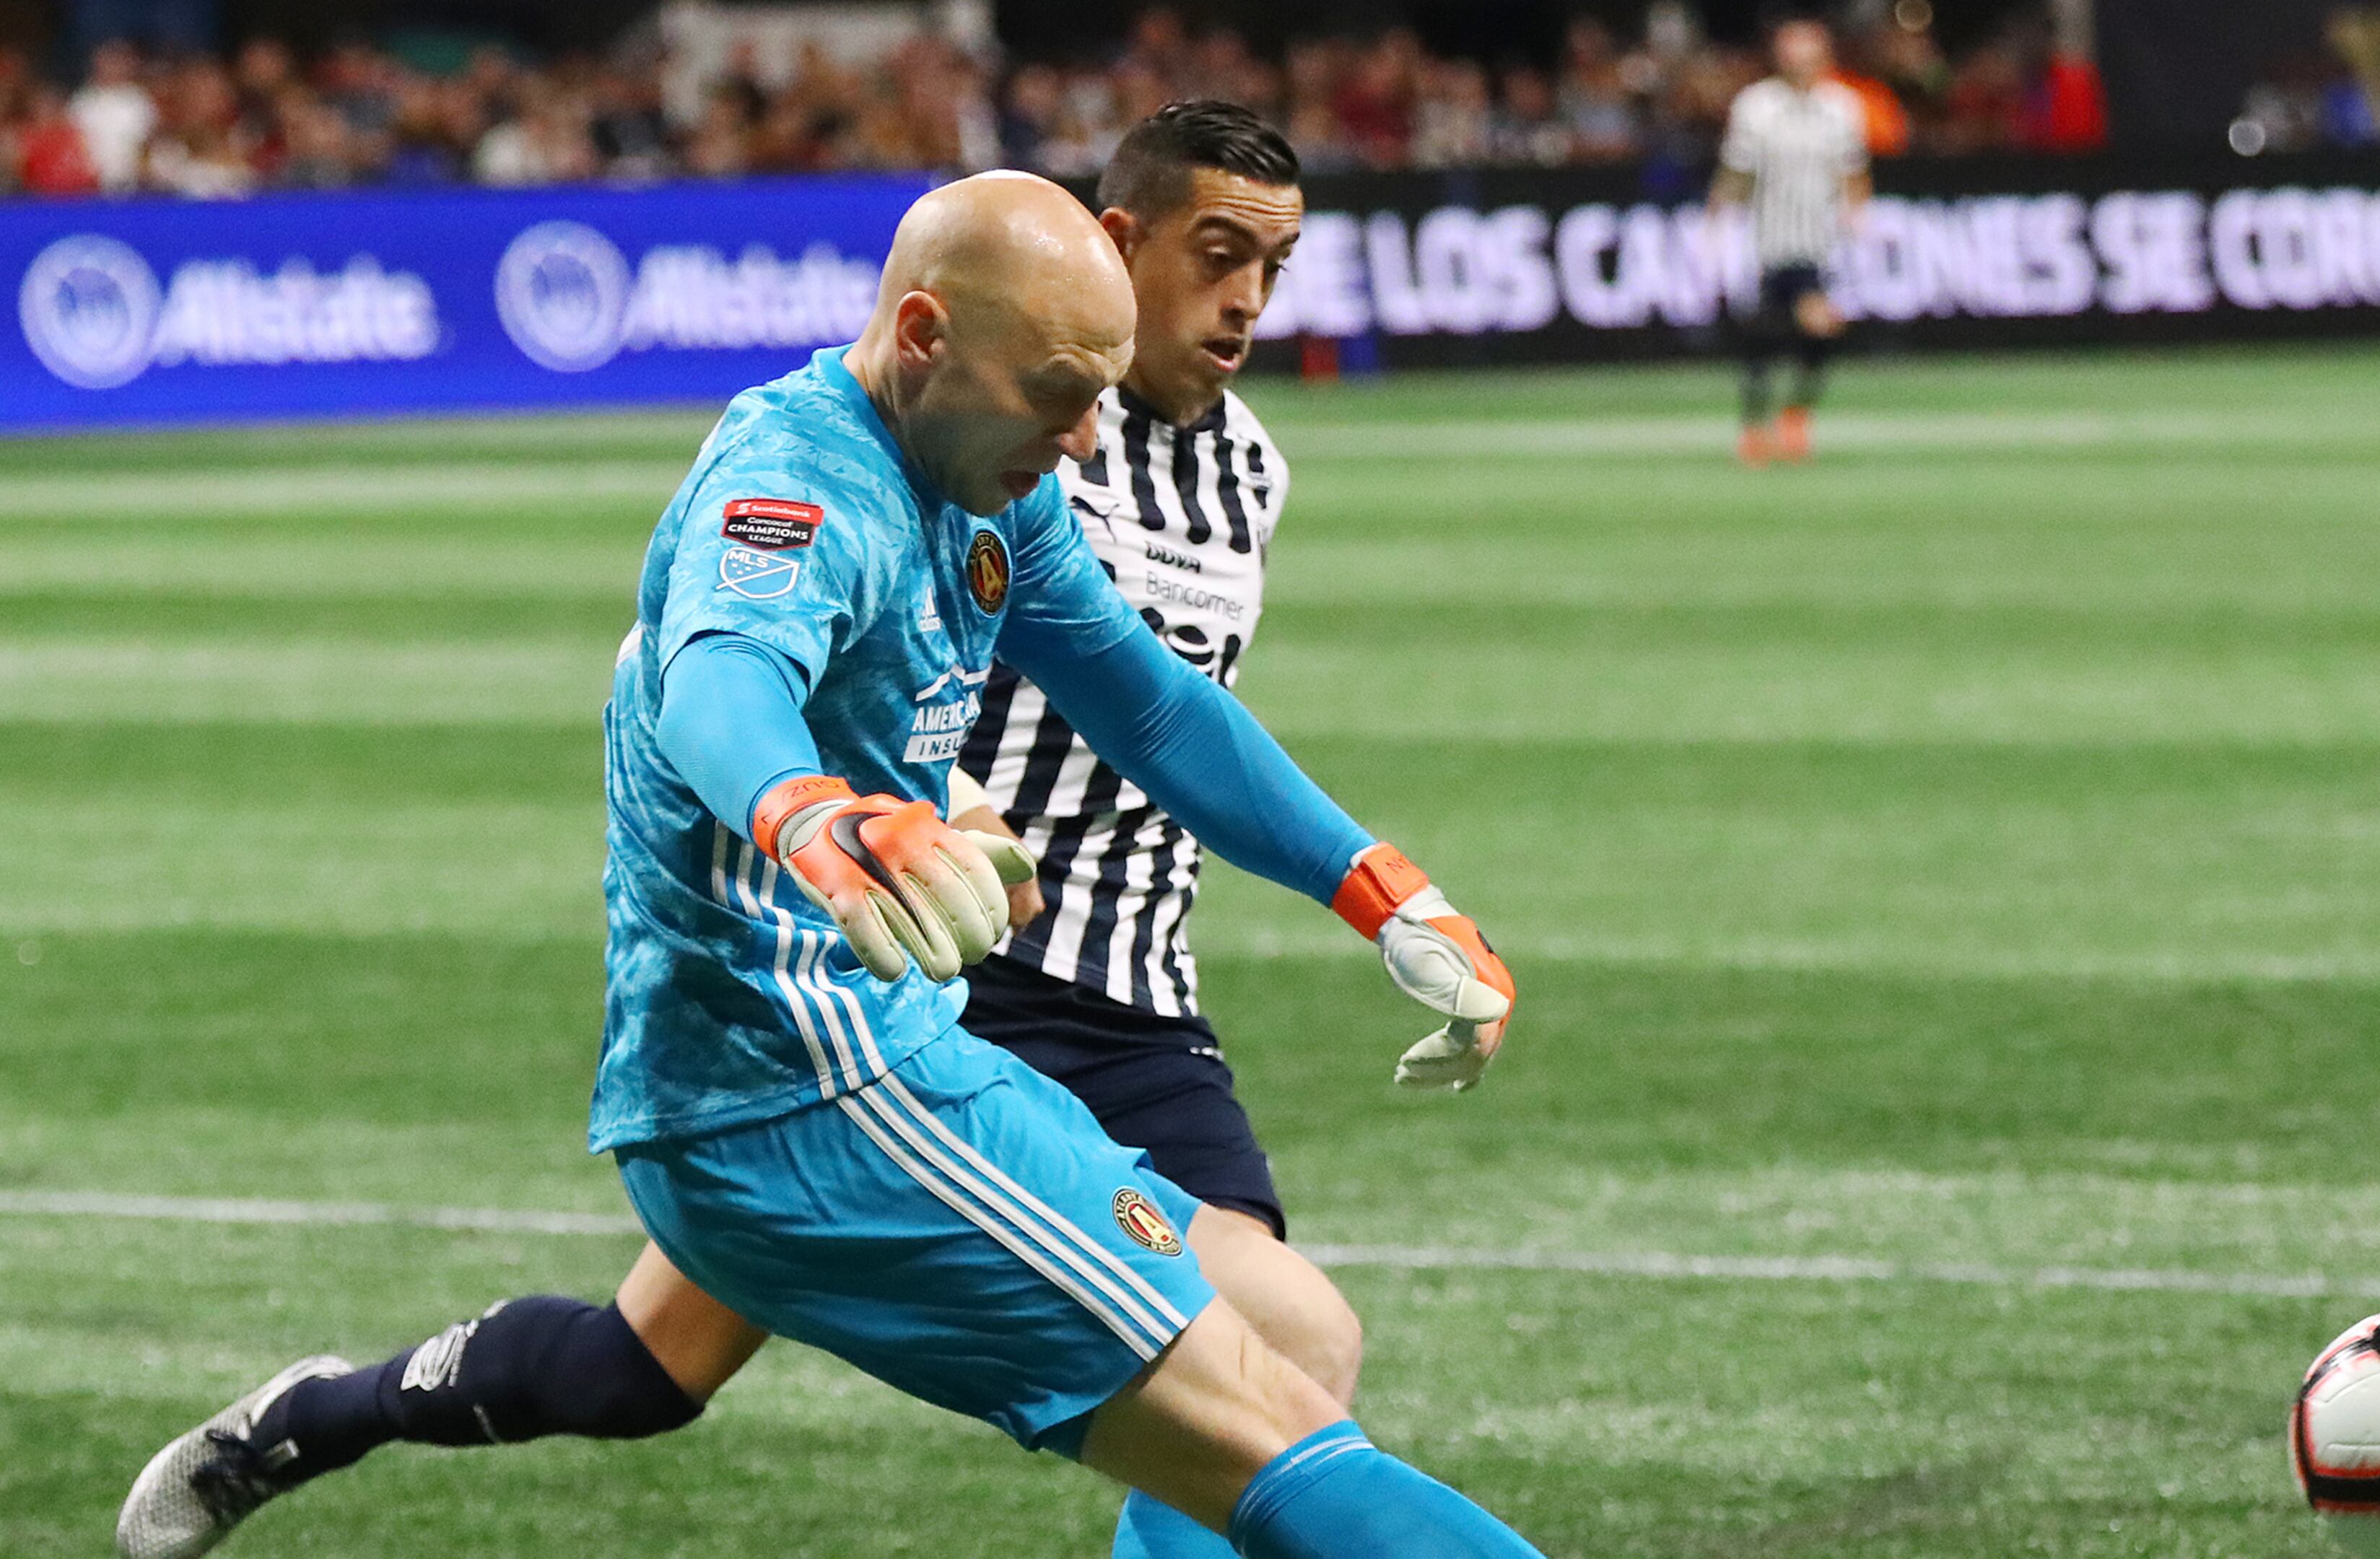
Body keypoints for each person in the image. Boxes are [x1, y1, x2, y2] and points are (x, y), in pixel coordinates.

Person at [117, 167, 1539, 1559]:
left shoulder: (990, 481)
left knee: (1282, 1339)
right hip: (793, 1095)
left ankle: (315, 1413)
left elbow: (1149, 702)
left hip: (903, 1040)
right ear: (924, 337)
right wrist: (826, 819)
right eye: (1060, 391)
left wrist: (1382, 888)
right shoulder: (791, 490)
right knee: (1256, 1426)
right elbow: (721, 688)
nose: (1093, 439)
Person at [1711, 17, 1869, 466]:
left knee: (1821, 329)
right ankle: (1756, 426)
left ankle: (1794, 415)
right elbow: (1736, 171)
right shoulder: (1757, 106)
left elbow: (1852, 170)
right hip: (1765, 240)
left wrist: (1858, 216)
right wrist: (1717, 219)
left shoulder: (1841, 107)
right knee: (1762, 337)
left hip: (1817, 242)